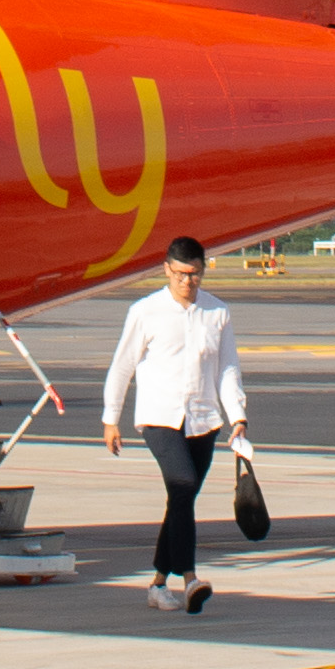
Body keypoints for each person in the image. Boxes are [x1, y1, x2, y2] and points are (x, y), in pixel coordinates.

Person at [99, 235, 253, 615]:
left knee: (180, 500)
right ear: (166, 269)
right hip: (158, 417)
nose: (189, 282)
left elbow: (227, 368)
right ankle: (190, 579)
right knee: (183, 485)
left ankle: (156, 584)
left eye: (196, 274)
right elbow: (122, 366)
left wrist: (237, 416)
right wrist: (110, 419)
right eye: (182, 274)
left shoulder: (218, 313)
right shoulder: (145, 311)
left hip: (203, 419)